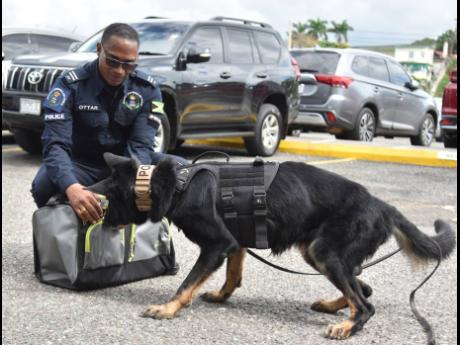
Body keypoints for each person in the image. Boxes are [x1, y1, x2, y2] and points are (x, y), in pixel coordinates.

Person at [31, 23, 186, 224]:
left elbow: (140, 147)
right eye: (112, 61)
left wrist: (129, 193)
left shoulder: (146, 88)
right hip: (81, 162)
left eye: (128, 65)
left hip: (126, 161)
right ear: (98, 50)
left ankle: (153, 238)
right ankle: (68, 230)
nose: (120, 71)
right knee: (43, 185)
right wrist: (72, 188)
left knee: (185, 173)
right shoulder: (70, 85)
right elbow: (55, 145)